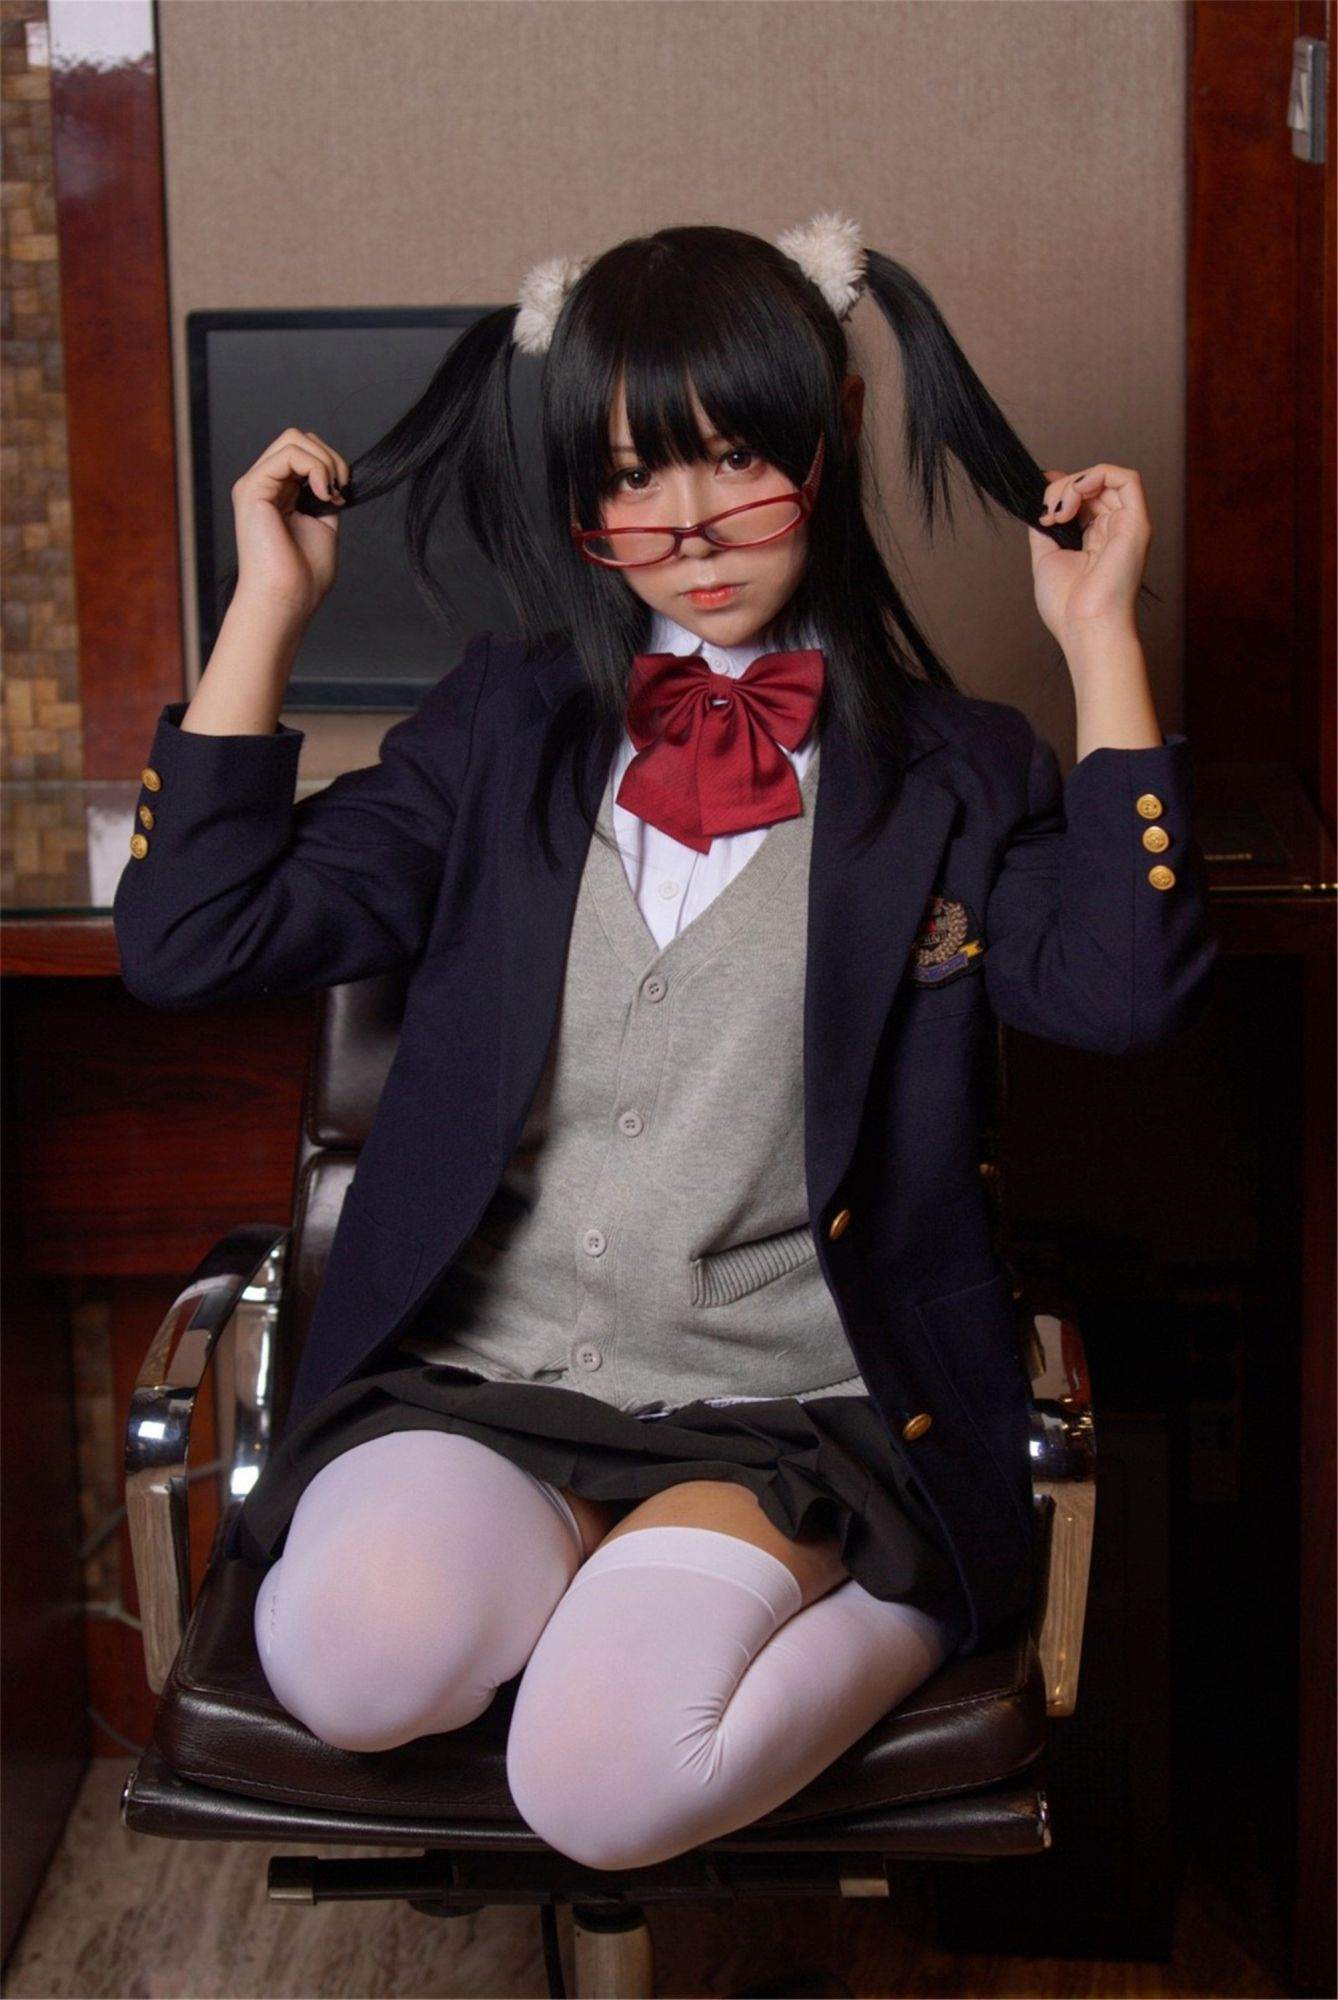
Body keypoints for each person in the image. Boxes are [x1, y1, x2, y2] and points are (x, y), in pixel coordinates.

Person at [113, 215, 1218, 1872]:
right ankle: (589, 1582)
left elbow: (1127, 997)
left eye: (736, 462)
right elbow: (193, 941)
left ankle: (914, 1591)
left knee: (604, 1785)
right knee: (349, 1668)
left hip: (793, 1406)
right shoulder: (501, 727)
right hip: (492, 1382)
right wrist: (265, 608)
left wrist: (1098, 641)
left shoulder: (958, 767)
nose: (687, 530)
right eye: (629, 480)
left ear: (833, 433)